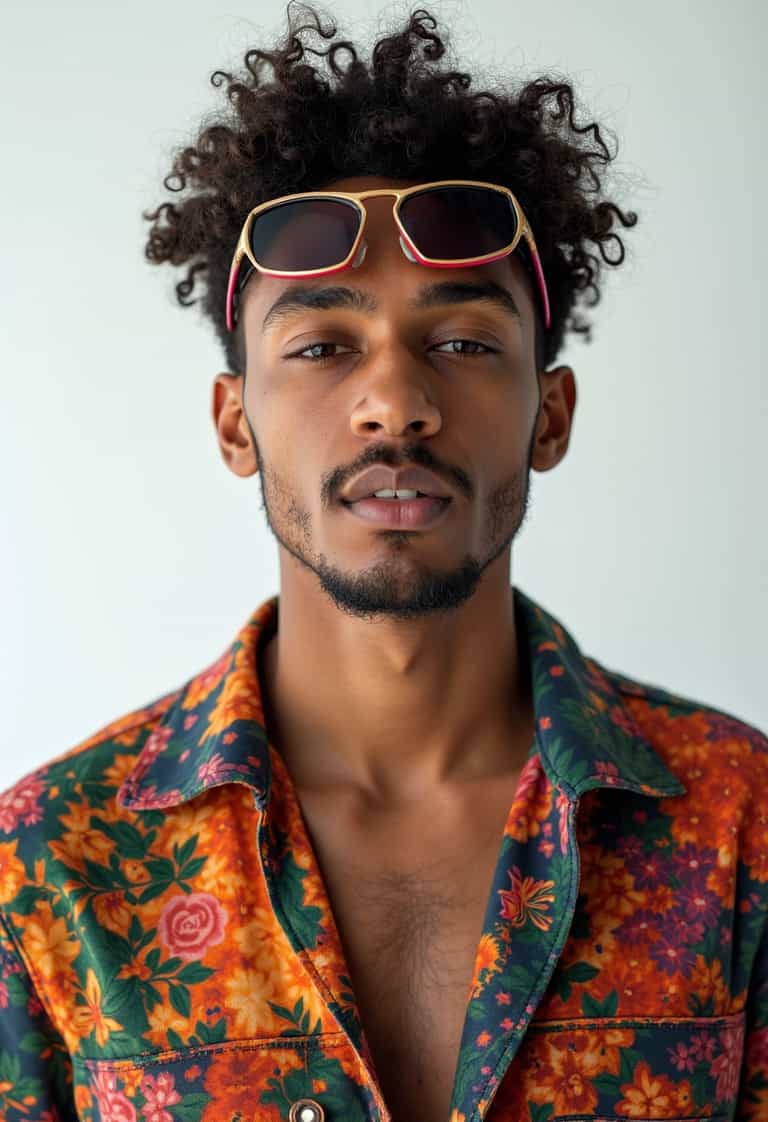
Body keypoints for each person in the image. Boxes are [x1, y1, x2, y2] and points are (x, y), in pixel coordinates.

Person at [1, 5, 765, 1120]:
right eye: (320, 347)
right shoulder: (52, 867)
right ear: (233, 426)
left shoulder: (738, 826)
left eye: (462, 343)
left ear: (550, 415)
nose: (395, 404)